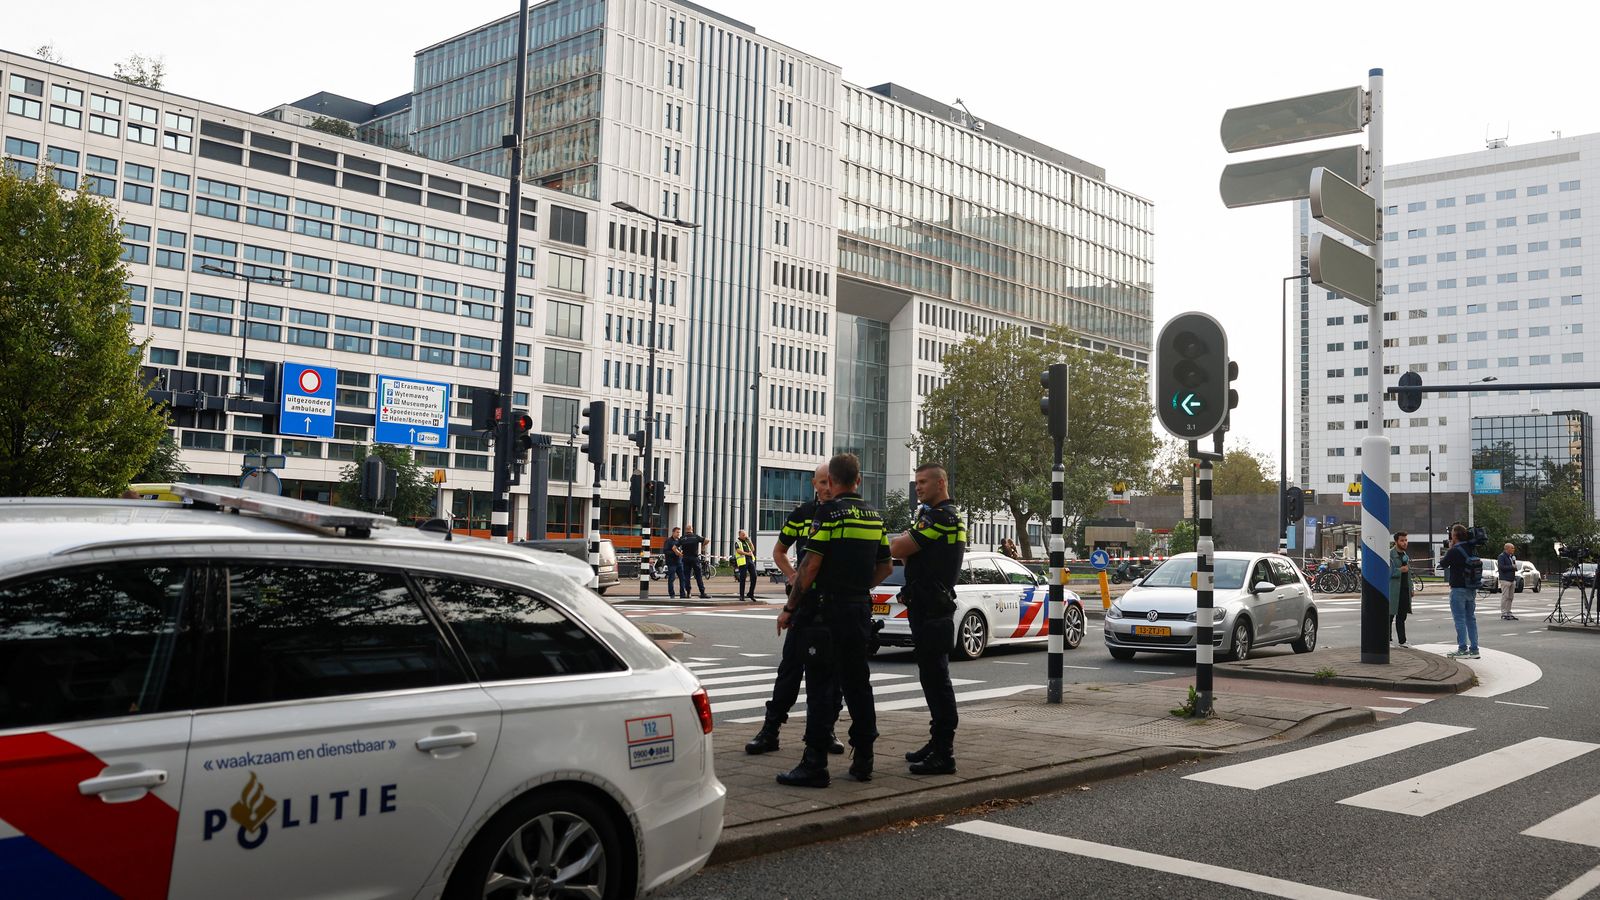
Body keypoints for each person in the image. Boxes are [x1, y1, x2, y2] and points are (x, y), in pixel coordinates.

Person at [776, 453, 891, 788]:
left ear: (835, 481)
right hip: (858, 611)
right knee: (858, 683)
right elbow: (884, 566)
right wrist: (859, 587)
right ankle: (864, 758)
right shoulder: (873, 516)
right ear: (858, 480)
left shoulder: (827, 514)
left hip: (826, 613)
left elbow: (809, 568)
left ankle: (814, 764)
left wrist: (790, 608)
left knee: (822, 687)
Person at [745, 463, 843, 757]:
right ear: (814, 483)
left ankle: (827, 730)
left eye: (831, 482)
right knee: (790, 669)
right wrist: (792, 576)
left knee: (833, 674)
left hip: (834, 605)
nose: (826, 488)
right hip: (804, 605)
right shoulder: (801, 514)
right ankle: (770, 730)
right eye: (822, 482)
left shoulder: (843, 514)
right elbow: (779, 551)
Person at [890, 463, 965, 776]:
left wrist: (909, 546)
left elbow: (898, 548)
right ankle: (936, 742)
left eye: (923, 482)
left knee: (937, 681)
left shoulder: (938, 517)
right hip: (930, 605)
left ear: (940, 483)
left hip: (932, 609)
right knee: (933, 678)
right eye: (916, 482)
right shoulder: (946, 516)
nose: (918, 487)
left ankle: (943, 753)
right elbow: (907, 552)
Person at [1439, 523, 1482, 659]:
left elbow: (1443, 564)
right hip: (1471, 588)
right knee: (1471, 618)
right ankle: (1474, 649)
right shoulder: (1472, 548)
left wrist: (1450, 548)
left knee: (1460, 619)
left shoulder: (1454, 550)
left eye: (1452, 533)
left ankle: (1462, 648)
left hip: (1458, 588)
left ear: (1455, 535)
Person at [1389, 532, 1413, 646]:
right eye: (1402, 540)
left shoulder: (1405, 555)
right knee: (1390, 615)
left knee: (1402, 616)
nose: (1405, 543)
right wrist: (1399, 570)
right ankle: (1387, 639)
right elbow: (1386, 572)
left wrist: (1411, 588)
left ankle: (1402, 641)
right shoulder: (1390, 555)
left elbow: (1409, 573)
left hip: (1404, 589)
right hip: (1393, 590)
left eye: (1406, 540)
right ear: (1396, 541)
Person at [677, 524, 708, 599]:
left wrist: (679, 554)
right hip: (694, 558)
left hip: (686, 559)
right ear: (692, 529)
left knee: (687, 576)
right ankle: (702, 592)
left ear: (685, 530)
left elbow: (674, 547)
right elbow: (707, 540)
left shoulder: (682, 538)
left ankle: (688, 592)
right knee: (698, 575)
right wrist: (703, 547)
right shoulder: (696, 537)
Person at [733, 529, 758, 602]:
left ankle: (751, 593)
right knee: (743, 578)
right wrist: (747, 554)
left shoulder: (747, 542)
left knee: (754, 576)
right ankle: (741, 595)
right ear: (739, 535)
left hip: (750, 560)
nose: (745, 536)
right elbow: (738, 551)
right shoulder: (737, 542)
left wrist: (749, 541)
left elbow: (753, 549)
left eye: (745, 534)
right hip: (743, 562)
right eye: (743, 535)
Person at [1497, 542, 1519, 621]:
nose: (1513, 549)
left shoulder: (1511, 557)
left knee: (1510, 597)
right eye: (1512, 548)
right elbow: (1501, 567)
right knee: (1505, 596)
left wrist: (1514, 566)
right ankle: (1504, 612)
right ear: (1507, 548)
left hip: (1512, 579)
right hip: (1505, 579)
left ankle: (1509, 611)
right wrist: (1512, 567)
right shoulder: (1501, 556)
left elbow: (1513, 566)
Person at [663, 527, 684, 599]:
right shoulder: (668, 541)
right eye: (677, 532)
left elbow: (681, 549)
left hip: (679, 562)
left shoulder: (679, 541)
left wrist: (681, 552)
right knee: (672, 578)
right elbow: (665, 551)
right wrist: (675, 553)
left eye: (679, 532)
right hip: (671, 563)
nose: (678, 534)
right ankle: (672, 594)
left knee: (682, 578)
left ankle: (682, 594)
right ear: (673, 532)